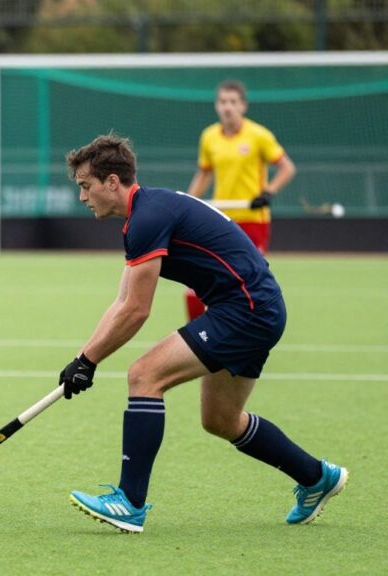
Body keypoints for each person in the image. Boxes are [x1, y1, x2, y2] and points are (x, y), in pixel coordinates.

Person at [60, 134, 345, 533]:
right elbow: (121, 300)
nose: (83, 197)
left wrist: (89, 361)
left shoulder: (147, 218)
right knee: (221, 419)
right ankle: (317, 477)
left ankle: (129, 502)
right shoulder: (143, 215)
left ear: (111, 181)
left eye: (85, 187)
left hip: (246, 308)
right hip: (254, 307)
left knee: (144, 376)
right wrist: (81, 358)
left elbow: (137, 311)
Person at [183, 79, 296, 320]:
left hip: (254, 222)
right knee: (194, 287)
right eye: (223, 102)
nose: (227, 107)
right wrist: (188, 203)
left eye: (233, 102)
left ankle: (244, 336)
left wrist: (268, 191)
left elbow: (287, 167)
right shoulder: (209, 136)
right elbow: (204, 173)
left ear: (243, 106)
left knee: (247, 287)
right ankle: (195, 339)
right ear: (216, 106)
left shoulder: (259, 135)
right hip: (221, 220)